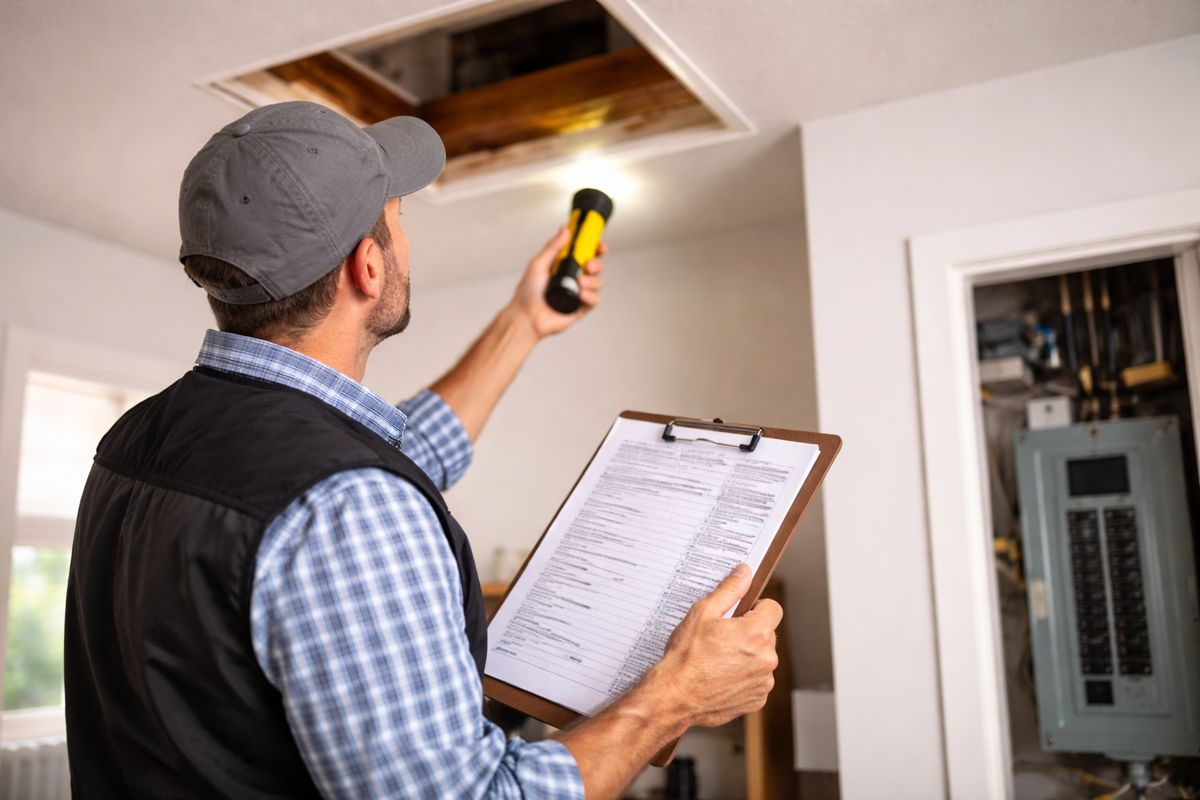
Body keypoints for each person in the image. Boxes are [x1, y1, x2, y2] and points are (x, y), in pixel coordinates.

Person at [64, 101, 782, 799]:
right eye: (399, 221)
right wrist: (676, 695)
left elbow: (393, 454)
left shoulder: (141, 437)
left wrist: (523, 322)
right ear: (368, 268)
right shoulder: (347, 502)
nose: (407, 240)